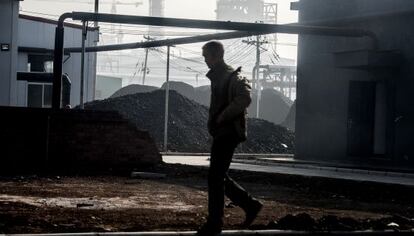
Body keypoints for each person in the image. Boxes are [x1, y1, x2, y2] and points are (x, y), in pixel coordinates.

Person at [197, 41, 263, 236]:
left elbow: (245, 98)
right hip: (222, 133)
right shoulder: (219, 77)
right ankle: (250, 205)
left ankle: (214, 223)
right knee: (218, 176)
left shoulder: (231, 76)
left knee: (215, 177)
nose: (205, 61)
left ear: (215, 55)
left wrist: (223, 116)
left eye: (206, 57)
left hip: (228, 133)